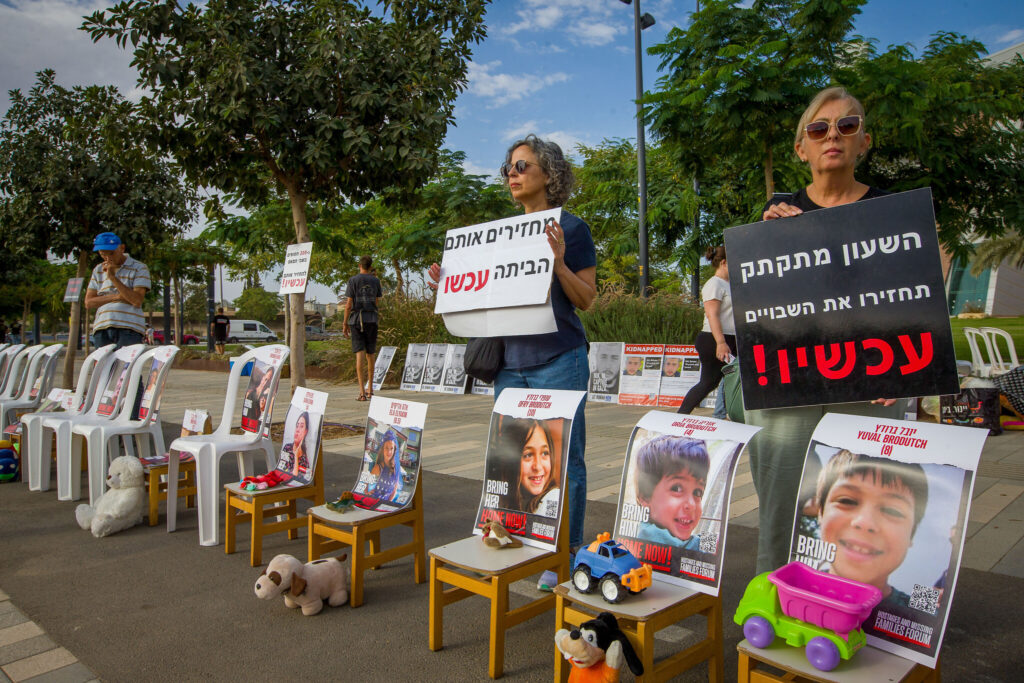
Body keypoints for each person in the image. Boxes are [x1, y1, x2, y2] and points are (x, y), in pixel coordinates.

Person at [747, 86, 903, 573]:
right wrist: (770, 239)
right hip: (789, 386)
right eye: (818, 128)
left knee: (859, 501)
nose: (832, 135)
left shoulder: (892, 215)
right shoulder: (777, 216)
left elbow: (907, 301)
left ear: (864, 142)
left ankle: (854, 604)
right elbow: (764, 309)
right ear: (801, 149)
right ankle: (771, 597)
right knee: (782, 498)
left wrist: (901, 367)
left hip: (867, 383)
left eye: (846, 126)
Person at [429, 134, 596, 590]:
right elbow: (487, 301)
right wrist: (450, 288)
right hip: (510, 367)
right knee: (513, 461)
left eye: (523, 166)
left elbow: (588, 300)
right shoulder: (502, 236)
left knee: (565, 462)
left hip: (560, 359)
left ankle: (567, 556)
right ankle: (523, 544)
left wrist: (559, 262)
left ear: (549, 174)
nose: (513, 175)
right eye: (509, 168)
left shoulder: (573, 228)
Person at [814, 449, 928, 607]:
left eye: (892, 511)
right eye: (847, 501)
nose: (865, 522)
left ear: (912, 535)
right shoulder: (788, 585)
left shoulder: (924, 614)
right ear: (820, 512)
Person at [677, 246, 736, 416]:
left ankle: (722, 416)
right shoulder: (714, 284)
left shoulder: (729, 284)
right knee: (708, 382)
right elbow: (712, 315)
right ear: (723, 262)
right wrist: (721, 343)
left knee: (721, 382)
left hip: (731, 339)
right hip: (714, 339)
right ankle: (680, 417)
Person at [633, 436, 709, 549]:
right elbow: (695, 546)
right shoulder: (650, 535)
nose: (692, 505)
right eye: (677, 489)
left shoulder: (657, 530)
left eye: (697, 492)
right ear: (646, 497)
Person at [84, 232, 151, 349]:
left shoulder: (139, 268)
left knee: (125, 366)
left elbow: (136, 300)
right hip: (102, 326)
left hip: (129, 327)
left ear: (122, 248)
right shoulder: (98, 270)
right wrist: (117, 297)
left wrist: (113, 278)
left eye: (112, 253)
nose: (108, 258)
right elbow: (89, 303)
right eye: (103, 254)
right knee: (103, 366)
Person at [497, 418, 560, 517]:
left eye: (544, 453)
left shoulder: (553, 497)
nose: (538, 467)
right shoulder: (504, 498)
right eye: (528, 455)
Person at [343, 256, 383, 401]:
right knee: (370, 354)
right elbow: (376, 301)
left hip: (356, 320)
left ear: (359, 265)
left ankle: (361, 392)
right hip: (371, 319)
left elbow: (348, 304)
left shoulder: (353, 280)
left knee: (359, 354)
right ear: (371, 266)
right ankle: (370, 389)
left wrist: (345, 323)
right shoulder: (376, 280)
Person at [370, 429, 403, 500]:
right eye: (386, 448)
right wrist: (367, 491)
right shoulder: (378, 467)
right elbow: (367, 484)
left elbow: (394, 491)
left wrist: (387, 504)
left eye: (391, 448)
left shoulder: (396, 468)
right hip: (374, 500)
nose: (389, 451)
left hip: (386, 503)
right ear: (382, 449)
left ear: (394, 450)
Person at [281, 411, 311, 480]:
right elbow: (281, 470)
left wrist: (296, 457)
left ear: (306, 431)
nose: (297, 430)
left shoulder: (304, 461)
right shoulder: (287, 448)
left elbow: (295, 478)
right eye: (297, 426)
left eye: (301, 426)